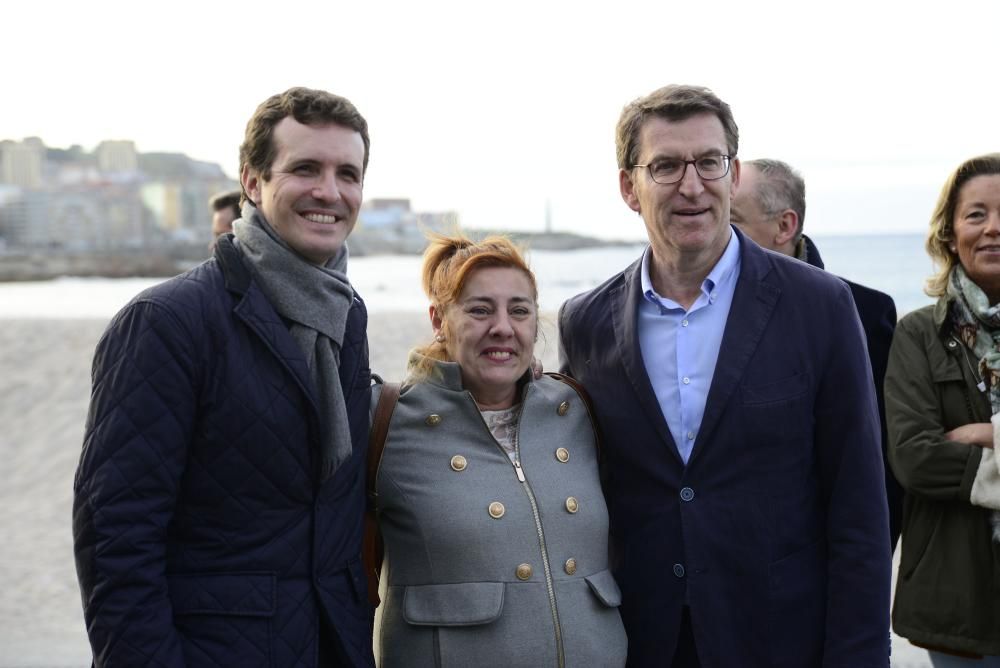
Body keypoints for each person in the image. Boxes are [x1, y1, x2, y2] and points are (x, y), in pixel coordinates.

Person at [558, 84, 890, 666]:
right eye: (664, 166)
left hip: (783, 639)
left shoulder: (821, 306)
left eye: (709, 162)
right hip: (641, 641)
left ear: (733, 176)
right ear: (627, 188)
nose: (692, 185)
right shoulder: (586, 323)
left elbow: (859, 507)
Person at [73, 87, 375, 667]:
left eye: (348, 174)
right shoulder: (167, 322)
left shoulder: (347, 314)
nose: (329, 192)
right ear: (253, 182)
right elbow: (116, 540)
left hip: (333, 643)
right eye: (305, 168)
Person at [372, 234, 627, 667]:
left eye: (520, 311)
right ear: (439, 320)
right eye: (479, 310)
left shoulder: (575, 411)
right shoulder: (388, 420)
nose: (503, 327)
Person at [731, 158, 901, 549]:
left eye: (732, 220)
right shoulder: (694, 312)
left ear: (785, 226)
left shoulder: (866, 312)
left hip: (817, 567)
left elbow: (879, 468)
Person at [885, 153, 1000, 666]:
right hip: (957, 598)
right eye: (976, 215)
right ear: (951, 233)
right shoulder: (916, 334)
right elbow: (914, 457)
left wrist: (988, 431)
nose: (993, 229)